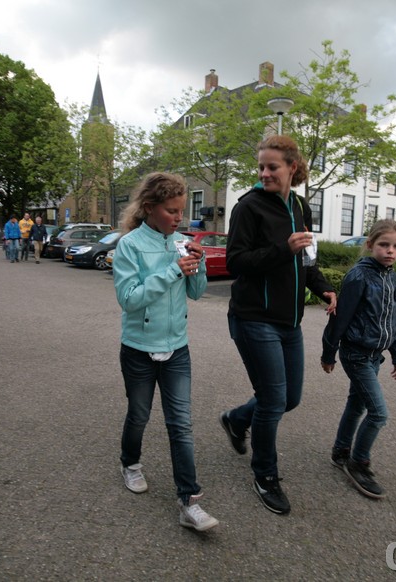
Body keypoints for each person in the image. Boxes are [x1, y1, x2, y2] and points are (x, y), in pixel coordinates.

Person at [219, 135, 337, 515]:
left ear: (292, 168)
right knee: (272, 401)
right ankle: (265, 475)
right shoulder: (248, 207)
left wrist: (324, 288)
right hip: (253, 318)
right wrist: (281, 249)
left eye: (272, 167)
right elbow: (235, 262)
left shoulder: (301, 206)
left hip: (289, 321)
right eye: (261, 167)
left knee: (290, 399)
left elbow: (307, 259)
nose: (264, 173)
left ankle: (237, 419)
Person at [112, 172, 218, 532]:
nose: (179, 217)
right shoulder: (129, 245)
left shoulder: (182, 243)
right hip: (138, 349)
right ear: (149, 208)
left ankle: (189, 501)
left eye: (181, 211)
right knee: (139, 415)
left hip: (177, 349)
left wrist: (198, 264)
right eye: (171, 211)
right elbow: (129, 300)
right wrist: (172, 271)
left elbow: (197, 293)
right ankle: (130, 463)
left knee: (181, 424)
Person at [321, 219, 396, 500]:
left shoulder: (395, 280)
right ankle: (358, 462)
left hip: (375, 356)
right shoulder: (359, 276)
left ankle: (341, 451)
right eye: (384, 245)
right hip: (356, 353)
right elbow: (340, 317)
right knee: (378, 413)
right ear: (370, 245)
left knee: (356, 405)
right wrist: (329, 352)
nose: (390, 251)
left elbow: (395, 322)